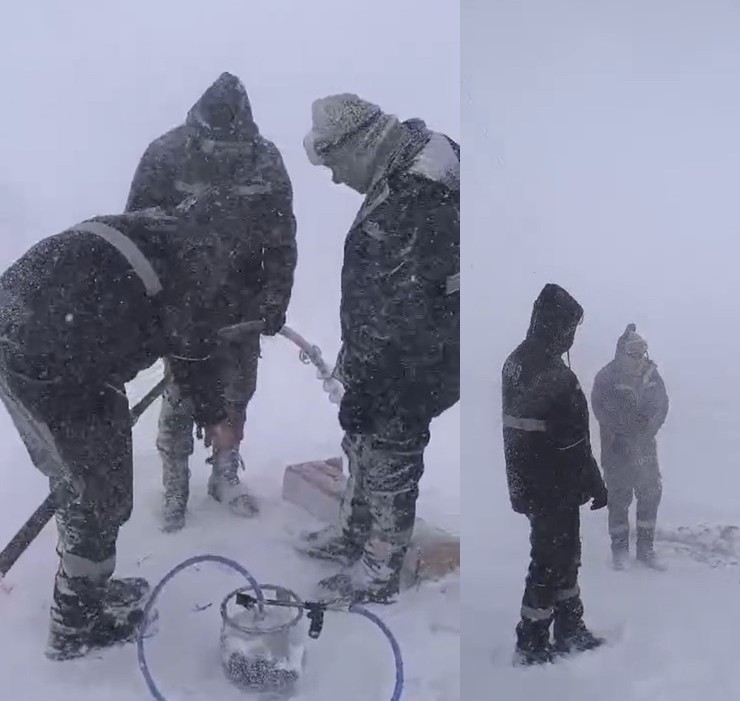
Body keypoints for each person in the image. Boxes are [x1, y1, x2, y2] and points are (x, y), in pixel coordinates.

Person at [0, 192, 244, 660]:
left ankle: (84, 586)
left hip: (14, 333)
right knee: (101, 496)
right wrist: (215, 417)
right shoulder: (196, 262)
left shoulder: (151, 227)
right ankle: (76, 626)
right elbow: (193, 351)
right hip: (62, 364)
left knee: (75, 477)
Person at [294, 94, 459, 604]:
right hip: (410, 339)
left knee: (390, 447)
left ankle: (379, 567)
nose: (337, 179)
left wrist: (369, 384)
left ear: (358, 144)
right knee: (361, 439)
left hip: (419, 354)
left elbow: (401, 314)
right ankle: (353, 531)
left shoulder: (415, 195)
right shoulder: (420, 157)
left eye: (335, 164)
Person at [125, 71, 297, 530]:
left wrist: (275, 297)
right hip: (183, 303)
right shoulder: (164, 156)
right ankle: (174, 487)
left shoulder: (265, 160)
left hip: (243, 301)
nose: (227, 159)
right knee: (183, 394)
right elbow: (137, 236)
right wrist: (158, 307)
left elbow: (281, 239)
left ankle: (225, 474)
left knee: (238, 392)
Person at [501, 283, 608, 666]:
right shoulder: (553, 374)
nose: (571, 338)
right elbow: (571, 441)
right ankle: (532, 642)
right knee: (551, 560)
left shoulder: (517, 362)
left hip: (531, 483)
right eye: (569, 329)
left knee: (561, 556)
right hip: (554, 487)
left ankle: (568, 628)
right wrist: (594, 482)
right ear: (555, 326)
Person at [591, 323, 669, 570]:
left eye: (641, 352)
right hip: (616, 447)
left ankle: (645, 550)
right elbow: (600, 408)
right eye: (633, 352)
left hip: (645, 447)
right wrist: (624, 428)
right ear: (622, 352)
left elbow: (661, 405)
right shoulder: (607, 377)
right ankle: (619, 553)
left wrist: (646, 426)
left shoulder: (652, 375)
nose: (638, 358)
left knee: (650, 493)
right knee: (618, 497)